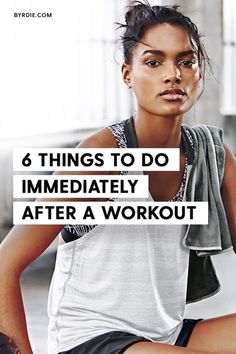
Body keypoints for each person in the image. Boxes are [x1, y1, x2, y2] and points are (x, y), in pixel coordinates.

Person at [0, 1, 236, 353]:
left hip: (164, 334)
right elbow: (5, 264)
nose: (173, 74)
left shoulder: (211, 154)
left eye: (186, 61)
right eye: (154, 62)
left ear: (199, 72)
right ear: (128, 74)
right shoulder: (99, 158)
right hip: (93, 340)